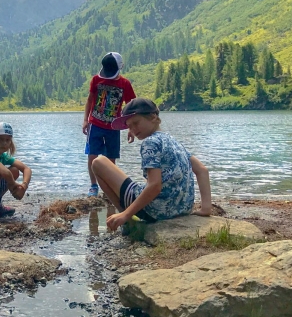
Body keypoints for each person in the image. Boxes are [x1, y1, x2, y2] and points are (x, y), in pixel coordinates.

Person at [91, 98, 212, 231]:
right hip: (182, 209)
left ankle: (127, 222)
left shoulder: (150, 143)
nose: (133, 130)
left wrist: (125, 214)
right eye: (129, 126)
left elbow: (155, 186)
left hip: (155, 211)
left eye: (136, 123)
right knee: (141, 183)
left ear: (153, 117)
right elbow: (202, 170)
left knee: (98, 162)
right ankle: (127, 217)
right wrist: (205, 208)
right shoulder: (173, 141)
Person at [82, 52, 136, 197]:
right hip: (95, 124)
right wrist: (85, 120)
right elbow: (89, 100)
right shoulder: (96, 80)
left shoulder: (125, 84)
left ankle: (109, 187)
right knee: (92, 155)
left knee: (110, 158)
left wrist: (131, 128)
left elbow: (131, 108)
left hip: (113, 127)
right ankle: (93, 186)